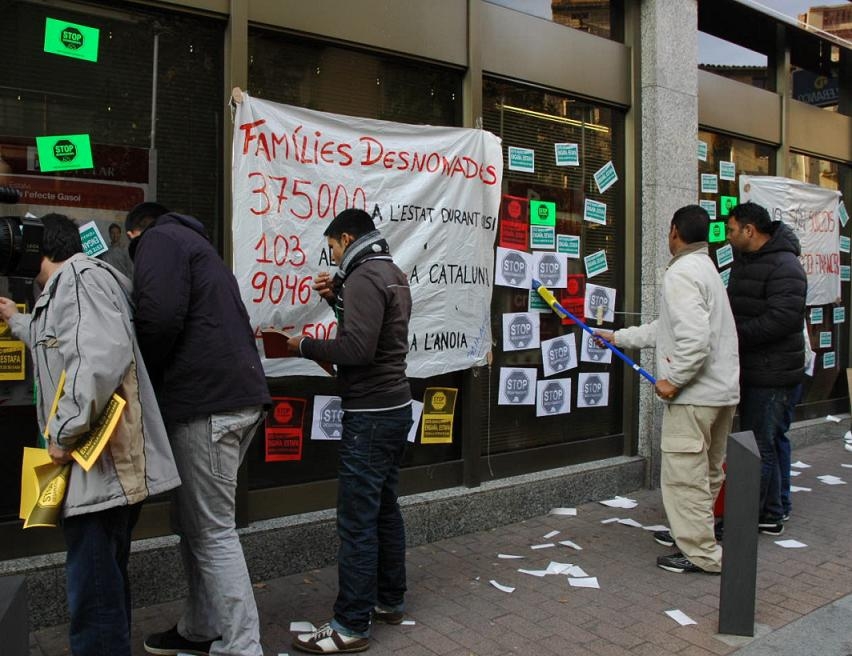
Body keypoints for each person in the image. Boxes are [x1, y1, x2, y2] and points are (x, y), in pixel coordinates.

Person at [0, 213, 180, 656]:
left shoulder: (79, 278)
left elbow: (97, 361)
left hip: (98, 471)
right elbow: (58, 340)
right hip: (95, 476)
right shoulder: (67, 287)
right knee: (103, 588)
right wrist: (16, 321)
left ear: (39, 245)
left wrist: (61, 433)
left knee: (95, 598)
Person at [125, 202, 271, 656]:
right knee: (193, 523)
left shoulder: (158, 240)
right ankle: (201, 627)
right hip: (233, 398)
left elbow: (159, 317)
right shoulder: (197, 245)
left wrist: (139, 376)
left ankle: (243, 646)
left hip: (205, 404)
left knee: (210, 529)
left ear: (134, 233)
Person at [286, 208, 413, 654]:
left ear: (346, 237)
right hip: (395, 407)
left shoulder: (363, 277)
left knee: (357, 519)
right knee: (383, 508)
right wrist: (335, 296)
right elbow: (372, 332)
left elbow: (357, 347)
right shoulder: (390, 272)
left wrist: (303, 345)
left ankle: (350, 624)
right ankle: (389, 600)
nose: (333, 256)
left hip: (371, 414)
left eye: (333, 247)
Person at [596, 205, 739, 574]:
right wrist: (618, 337)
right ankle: (695, 535)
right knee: (706, 473)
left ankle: (701, 553)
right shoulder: (707, 269)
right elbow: (668, 329)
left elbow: (693, 340)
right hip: (720, 393)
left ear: (675, 232)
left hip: (695, 396)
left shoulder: (681, 273)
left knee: (685, 476)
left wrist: (673, 381)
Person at [726, 201, 807, 535]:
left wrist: (733, 336)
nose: (728, 236)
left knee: (760, 445)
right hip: (755, 368)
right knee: (766, 441)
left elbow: (782, 319)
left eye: (731, 230)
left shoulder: (785, 265)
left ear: (750, 230)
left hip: (773, 373)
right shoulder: (747, 261)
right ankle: (774, 511)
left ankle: (750, 520)